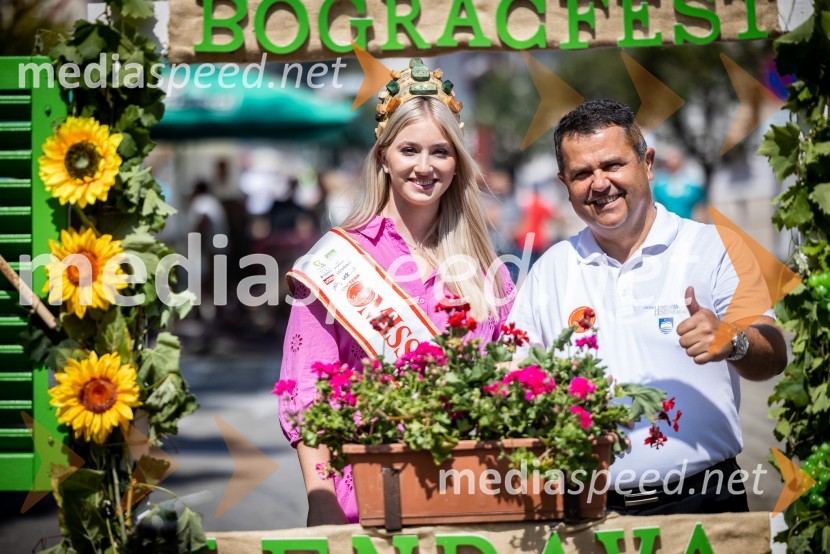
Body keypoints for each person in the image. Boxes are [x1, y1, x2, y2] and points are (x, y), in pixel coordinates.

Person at [508, 99, 787, 515]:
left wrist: (735, 341)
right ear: (564, 184)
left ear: (647, 162)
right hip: (588, 514)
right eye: (582, 173)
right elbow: (514, 381)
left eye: (613, 165)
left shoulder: (714, 247)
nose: (599, 184)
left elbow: (774, 354)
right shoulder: (549, 270)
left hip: (705, 502)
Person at [278, 59, 515, 525]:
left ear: (457, 163)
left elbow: (509, 381)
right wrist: (320, 500)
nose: (424, 167)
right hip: (366, 500)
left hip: (468, 499)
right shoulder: (337, 260)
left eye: (440, 153)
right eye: (409, 150)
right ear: (384, 156)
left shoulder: (488, 270)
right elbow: (306, 393)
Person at [651, 147, 706, 220]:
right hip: (666, 225)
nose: (670, 160)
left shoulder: (692, 183)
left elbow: (700, 207)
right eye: (668, 158)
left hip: (688, 224)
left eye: (674, 157)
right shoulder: (658, 184)